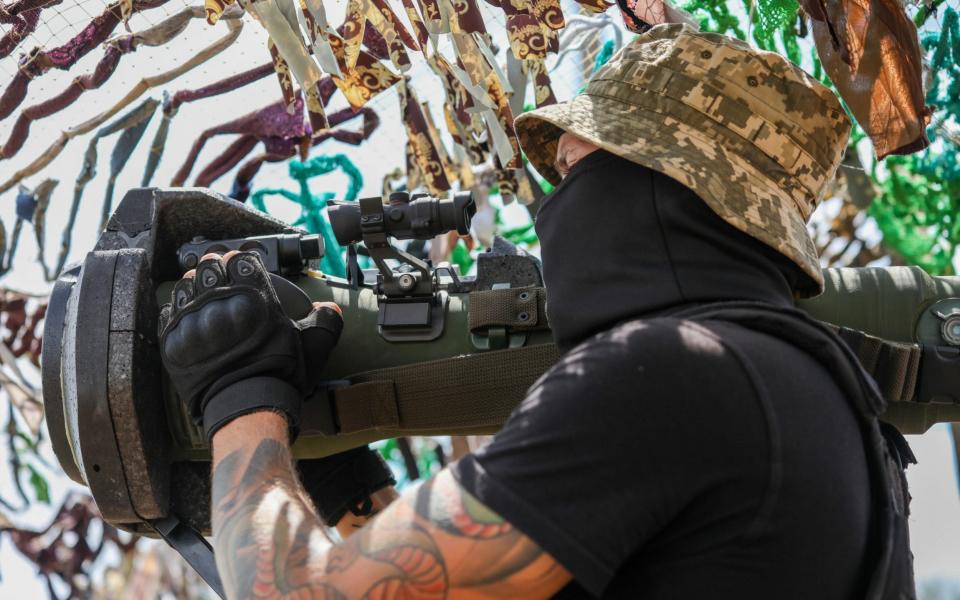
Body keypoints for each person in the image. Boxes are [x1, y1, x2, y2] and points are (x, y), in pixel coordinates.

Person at [158, 24, 914, 599]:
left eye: (574, 165)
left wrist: (240, 397)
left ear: (659, 177)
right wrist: (339, 474)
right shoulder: (821, 397)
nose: (558, 196)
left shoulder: (675, 375)